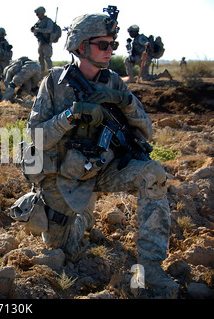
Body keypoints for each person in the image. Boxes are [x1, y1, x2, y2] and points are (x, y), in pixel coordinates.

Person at [22, 12, 179, 297]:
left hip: (105, 168)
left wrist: (125, 100)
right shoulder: (55, 82)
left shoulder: (115, 82)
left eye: (113, 45)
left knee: (152, 173)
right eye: (103, 45)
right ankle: (83, 218)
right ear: (81, 46)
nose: (110, 51)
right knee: (62, 250)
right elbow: (35, 136)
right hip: (65, 176)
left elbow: (147, 130)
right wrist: (71, 115)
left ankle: (152, 268)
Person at [31, 6, 54, 75]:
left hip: (47, 42)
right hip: (40, 42)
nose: (37, 15)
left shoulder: (48, 21)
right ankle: (42, 73)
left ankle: (50, 73)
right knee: (40, 58)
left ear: (42, 13)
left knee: (47, 58)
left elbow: (49, 30)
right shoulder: (39, 22)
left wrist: (38, 30)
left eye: (38, 14)